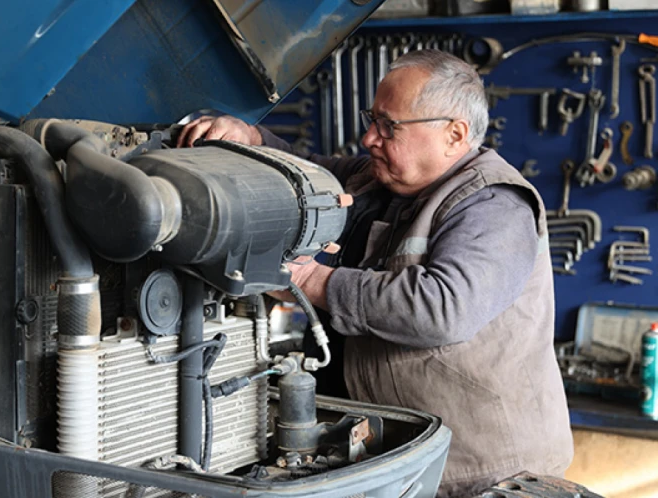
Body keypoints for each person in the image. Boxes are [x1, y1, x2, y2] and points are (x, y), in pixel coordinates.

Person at [177, 49, 574, 496]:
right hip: (403, 459)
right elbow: (307, 173)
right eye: (372, 119)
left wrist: (313, 282)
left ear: (454, 135)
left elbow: (442, 309)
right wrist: (251, 138)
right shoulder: (377, 180)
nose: (369, 138)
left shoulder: (493, 205)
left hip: (484, 474)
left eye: (389, 126)